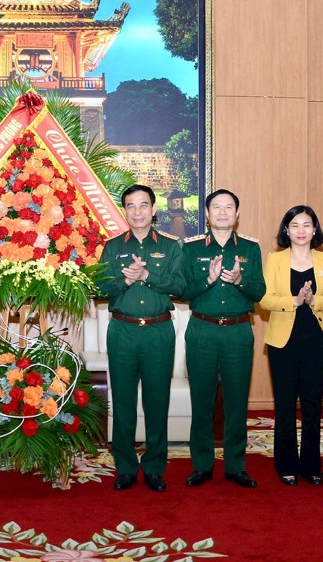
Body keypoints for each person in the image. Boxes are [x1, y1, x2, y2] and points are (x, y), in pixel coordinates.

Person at [98, 184, 184, 492]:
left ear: (153, 209)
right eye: (131, 206)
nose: (138, 211)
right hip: (122, 331)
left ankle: (154, 467)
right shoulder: (112, 247)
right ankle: (124, 467)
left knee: (156, 401)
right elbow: (101, 288)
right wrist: (125, 279)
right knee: (122, 401)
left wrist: (148, 277)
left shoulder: (172, 246)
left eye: (143, 205)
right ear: (125, 211)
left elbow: (181, 285)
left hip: (159, 332)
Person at [181, 189, 265, 489]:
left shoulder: (250, 249)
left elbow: (260, 292)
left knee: (236, 402)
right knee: (201, 401)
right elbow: (182, 290)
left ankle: (236, 466)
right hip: (202, 330)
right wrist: (208, 279)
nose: (222, 212)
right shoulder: (190, 249)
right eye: (216, 207)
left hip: (238, 332)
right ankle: (201, 465)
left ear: (237, 214)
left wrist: (240, 280)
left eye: (229, 207)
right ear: (206, 214)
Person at [260, 206, 323, 486]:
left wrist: (313, 300)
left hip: (317, 340)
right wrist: (293, 300)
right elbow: (265, 299)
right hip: (284, 341)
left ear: (315, 229)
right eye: (295, 225)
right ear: (286, 230)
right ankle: (286, 466)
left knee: (312, 405)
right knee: (284, 405)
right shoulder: (274, 259)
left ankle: (311, 466)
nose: (301, 231)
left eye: (307, 225)